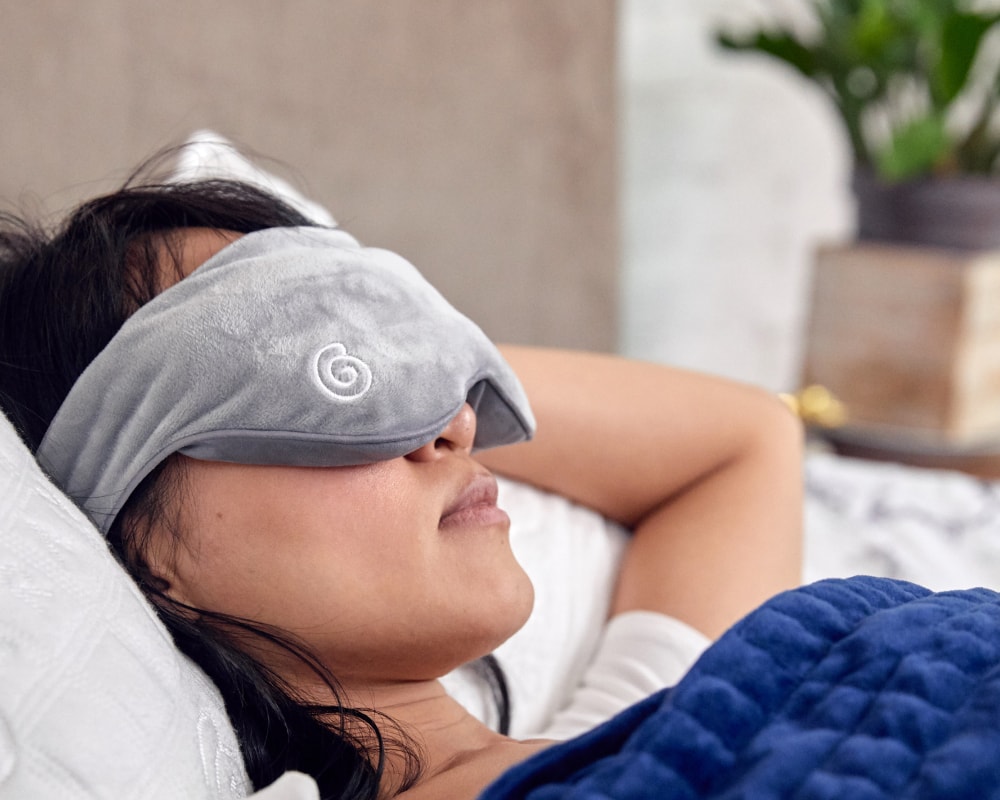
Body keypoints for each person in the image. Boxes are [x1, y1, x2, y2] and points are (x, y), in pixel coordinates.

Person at [0, 171, 803, 799]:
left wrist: (409, 354)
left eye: (388, 339)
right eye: (299, 356)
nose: (459, 423)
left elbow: (748, 439)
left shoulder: (649, 727)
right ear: (142, 549)